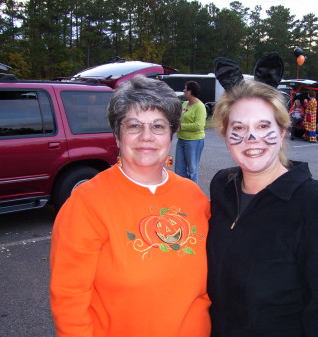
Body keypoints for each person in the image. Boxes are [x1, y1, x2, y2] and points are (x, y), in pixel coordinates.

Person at [50, 76, 211, 337]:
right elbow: (69, 297)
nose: (146, 137)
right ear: (117, 134)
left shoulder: (192, 196)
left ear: (171, 134)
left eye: (158, 126)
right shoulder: (87, 203)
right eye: (134, 125)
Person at [207, 80, 318, 337]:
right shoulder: (222, 186)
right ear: (226, 136)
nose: (252, 138)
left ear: (283, 132)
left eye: (264, 126)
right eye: (238, 128)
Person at [175, 81, 207, 183]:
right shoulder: (184, 104)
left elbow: (199, 125)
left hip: (194, 141)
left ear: (190, 91)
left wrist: (180, 126)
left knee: (192, 169)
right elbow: (180, 118)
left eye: (185, 88)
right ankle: (182, 192)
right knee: (179, 170)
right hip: (181, 140)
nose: (183, 90)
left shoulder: (200, 107)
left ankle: (193, 193)